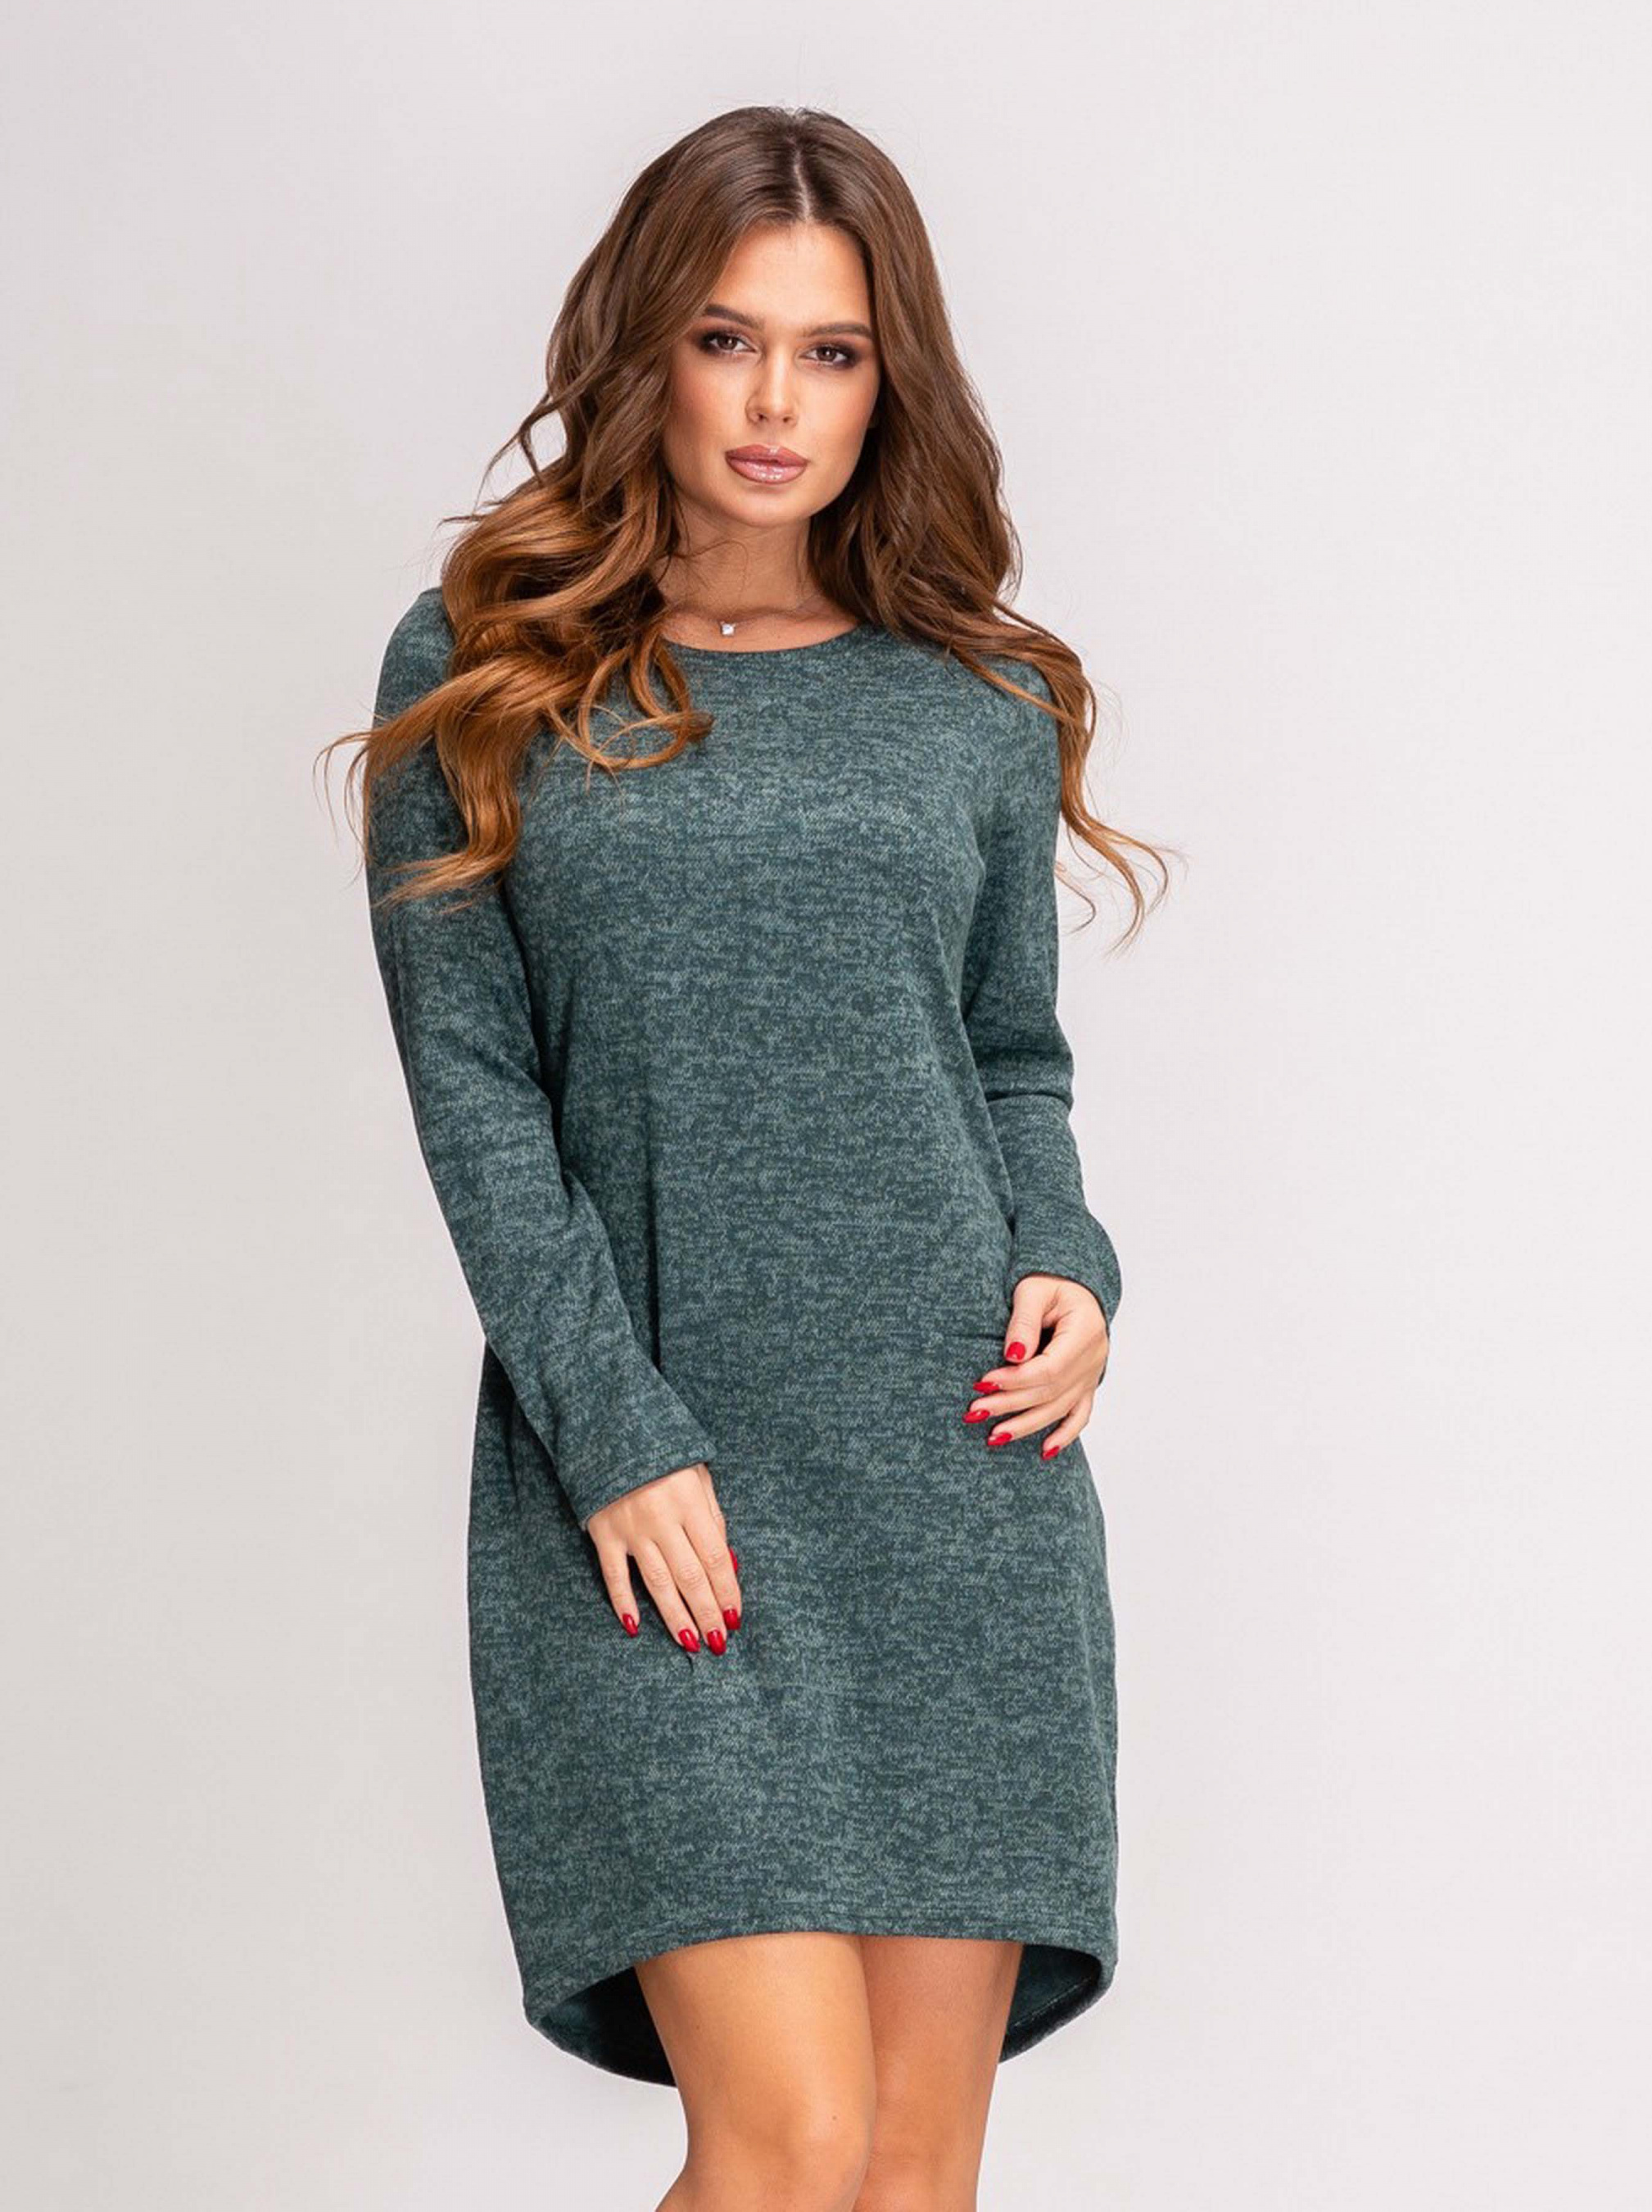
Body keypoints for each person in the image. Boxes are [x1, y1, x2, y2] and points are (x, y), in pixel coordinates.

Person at [330, 102, 1167, 2212]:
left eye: (830, 352)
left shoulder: (971, 698)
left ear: (891, 381)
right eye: (727, 340)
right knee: (784, 2147)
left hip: (953, 1482)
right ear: (648, 350)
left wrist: (1068, 1258)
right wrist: (614, 1435)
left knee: (905, 2173)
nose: (775, 401)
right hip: (651, 1480)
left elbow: (1008, 1053)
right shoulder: (489, 666)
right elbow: (474, 1093)